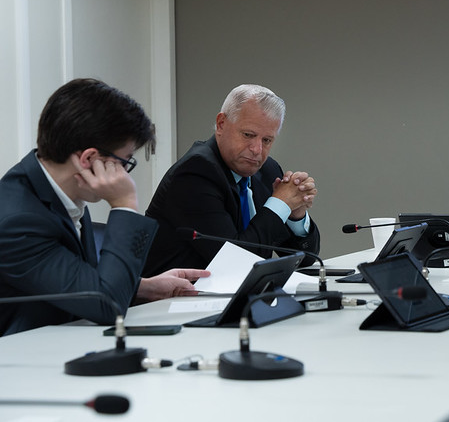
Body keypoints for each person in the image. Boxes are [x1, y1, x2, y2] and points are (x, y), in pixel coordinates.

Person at [0, 78, 209, 336]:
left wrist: (143, 287)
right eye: (125, 161)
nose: (125, 172)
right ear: (89, 159)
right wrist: (124, 205)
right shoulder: (17, 221)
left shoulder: (60, 190)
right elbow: (105, 305)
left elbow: (73, 285)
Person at [143, 84, 320, 276]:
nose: (257, 150)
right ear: (221, 124)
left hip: (229, 297)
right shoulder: (195, 173)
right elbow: (237, 263)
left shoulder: (268, 170)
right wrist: (280, 203)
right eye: (248, 135)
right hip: (171, 301)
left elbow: (308, 258)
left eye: (267, 140)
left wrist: (295, 213)